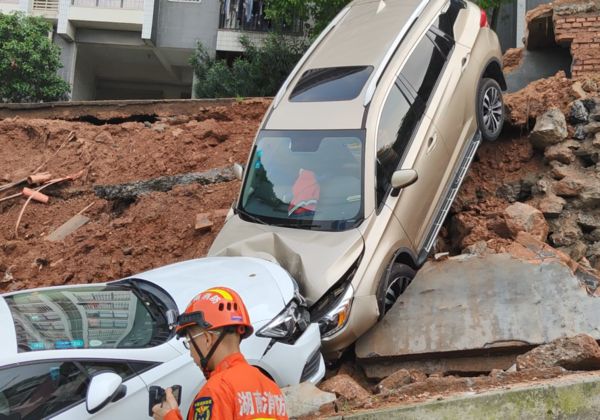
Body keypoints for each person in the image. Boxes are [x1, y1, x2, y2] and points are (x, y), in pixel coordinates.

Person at [152, 287, 288, 420]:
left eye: (189, 341)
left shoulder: (217, 390)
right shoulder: (272, 389)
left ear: (207, 339)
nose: (191, 354)